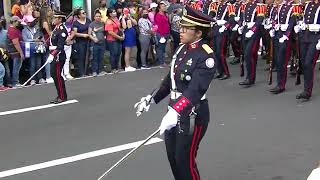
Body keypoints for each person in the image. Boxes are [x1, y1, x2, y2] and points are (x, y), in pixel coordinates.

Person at [135, 5, 216, 180]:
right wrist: (151, 98)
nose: (181, 30)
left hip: (192, 113)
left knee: (184, 161)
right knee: (173, 158)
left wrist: (177, 111)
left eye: (186, 28)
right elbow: (170, 80)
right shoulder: (182, 48)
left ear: (199, 33)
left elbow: (195, 90)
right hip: (174, 110)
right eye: (181, 26)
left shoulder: (206, 56)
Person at [48, 11, 68, 104]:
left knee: (57, 76)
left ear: (60, 19)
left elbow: (60, 47)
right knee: (54, 75)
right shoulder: (56, 28)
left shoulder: (62, 30)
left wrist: (53, 55)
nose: (53, 19)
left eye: (55, 18)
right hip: (54, 54)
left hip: (58, 56)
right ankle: (60, 94)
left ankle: (62, 96)